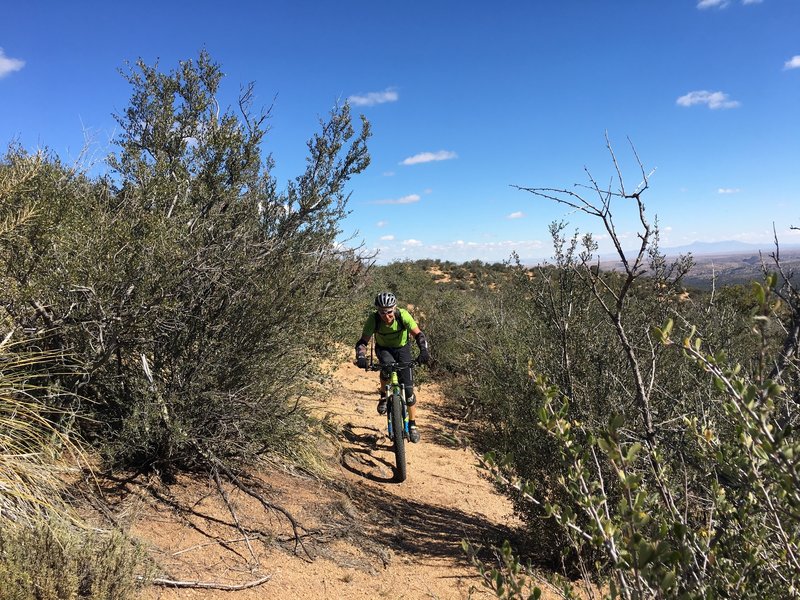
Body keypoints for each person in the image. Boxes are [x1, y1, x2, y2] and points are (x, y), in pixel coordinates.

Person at [355, 291, 430, 443]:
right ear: (378, 311)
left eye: (389, 312)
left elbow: (419, 335)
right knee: (387, 367)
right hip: (384, 349)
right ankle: (383, 396)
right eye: (382, 312)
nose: (386, 316)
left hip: (402, 349)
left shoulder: (403, 315)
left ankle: (413, 425)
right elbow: (362, 342)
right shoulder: (373, 319)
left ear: (394, 309)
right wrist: (361, 356)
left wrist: (424, 351)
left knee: (409, 392)